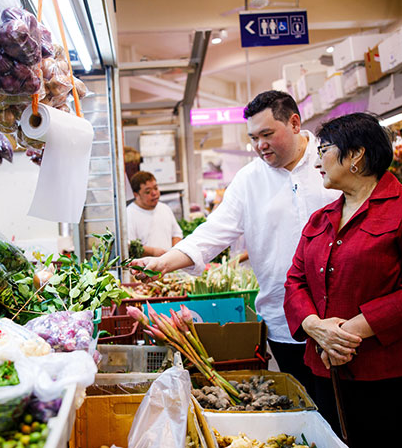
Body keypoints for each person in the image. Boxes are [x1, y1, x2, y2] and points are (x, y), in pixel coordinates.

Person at [130, 91, 340, 395]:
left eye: (267, 134)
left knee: (351, 414)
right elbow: (213, 232)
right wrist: (163, 263)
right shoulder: (249, 179)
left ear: (295, 123)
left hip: (342, 317)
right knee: (308, 403)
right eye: (253, 137)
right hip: (284, 320)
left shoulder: (330, 161)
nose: (259, 146)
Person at [283, 113, 402, 446]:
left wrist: (347, 333)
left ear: (356, 155)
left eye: (325, 149)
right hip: (327, 371)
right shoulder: (322, 219)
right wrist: (314, 326)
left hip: (395, 376)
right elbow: (295, 281)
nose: (318, 159)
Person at [127, 171, 183, 256]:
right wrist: (153, 252)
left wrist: (173, 252)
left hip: (168, 265)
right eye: (148, 192)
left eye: (156, 188)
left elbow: (176, 233)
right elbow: (130, 245)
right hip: (144, 267)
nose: (154, 193)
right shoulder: (129, 214)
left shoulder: (165, 208)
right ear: (136, 195)